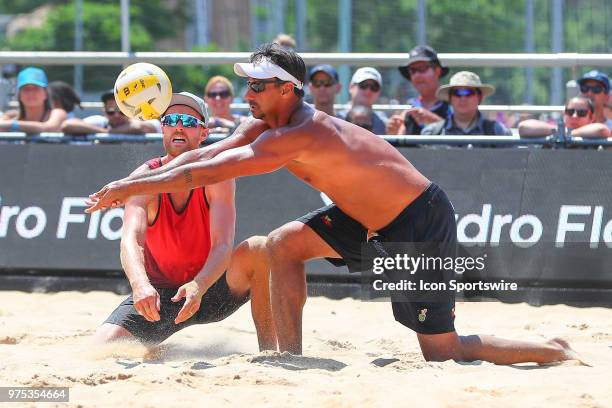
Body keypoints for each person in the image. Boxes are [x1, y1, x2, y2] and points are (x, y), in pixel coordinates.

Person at [86, 43, 579, 365]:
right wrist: (133, 182)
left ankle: (554, 352)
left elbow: (211, 171)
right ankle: (288, 357)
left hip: (417, 219)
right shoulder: (266, 121)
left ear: (287, 89)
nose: (247, 93)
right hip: (361, 219)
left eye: (257, 86)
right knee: (281, 244)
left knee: (441, 351)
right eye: (247, 85)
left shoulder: (299, 132)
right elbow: (209, 151)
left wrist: (125, 189)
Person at [92, 92, 275, 350]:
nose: (179, 126)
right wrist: (140, 285)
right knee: (100, 349)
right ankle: (158, 340)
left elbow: (222, 245)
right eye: (172, 120)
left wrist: (199, 286)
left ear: (203, 133)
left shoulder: (218, 173)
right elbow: (130, 240)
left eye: (189, 122)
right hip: (160, 297)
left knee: (259, 247)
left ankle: (271, 352)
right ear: (163, 128)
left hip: (211, 287)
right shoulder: (145, 177)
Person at [421, 71, 512, 136]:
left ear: (479, 97)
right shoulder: (431, 133)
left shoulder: (498, 132)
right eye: (457, 93)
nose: (463, 98)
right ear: (450, 98)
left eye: (469, 92)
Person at [388, 45, 451, 135]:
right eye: (412, 71)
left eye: (422, 69)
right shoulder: (405, 110)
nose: (417, 75)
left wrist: (436, 122)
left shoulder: (454, 105)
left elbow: (462, 138)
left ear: (437, 71)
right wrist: (393, 134)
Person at [61, 90, 161, 135]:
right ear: (103, 110)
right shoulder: (101, 123)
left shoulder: (142, 121)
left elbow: (138, 128)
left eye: (121, 111)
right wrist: (105, 132)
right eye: (110, 111)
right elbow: (67, 125)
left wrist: (109, 134)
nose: (116, 115)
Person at [0, 67, 67, 133]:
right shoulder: (9, 118)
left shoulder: (56, 113)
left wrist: (13, 125)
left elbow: (50, 128)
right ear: (19, 95)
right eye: (26, 89)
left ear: (46, 93)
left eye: (36, 88)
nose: (31, 93)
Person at [518, 96, 610, 138]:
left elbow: (602, 130)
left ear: (592, 118)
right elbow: (523, 127)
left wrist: (567, 134)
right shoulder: (558, 132)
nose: (574, 116)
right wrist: (560, 132)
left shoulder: (596, 136)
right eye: (570, 112)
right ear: (564, 114)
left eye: (581, 112)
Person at [338, 67, 387, 135]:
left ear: (379, 93)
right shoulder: (335, 119)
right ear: (351, 87)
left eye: (374, 87)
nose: (368, 91)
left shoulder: (385, 124)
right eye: (363, 85)